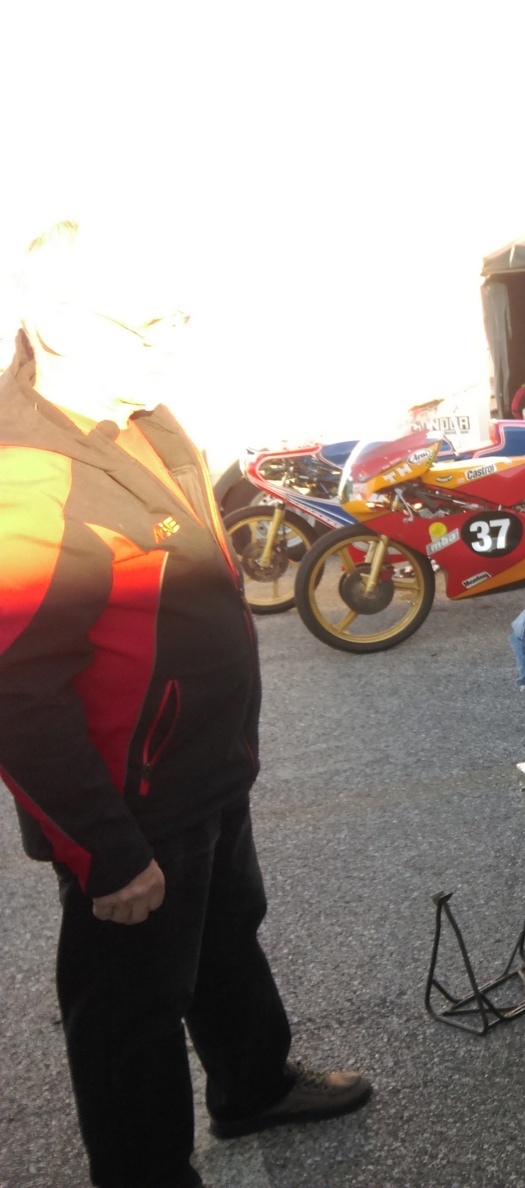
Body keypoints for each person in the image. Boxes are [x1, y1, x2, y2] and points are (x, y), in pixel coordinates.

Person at [0, 222, 371, 1188]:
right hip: (129, 805)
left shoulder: (141, 414)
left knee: (225, 931)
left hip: (204, 768)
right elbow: (15, 695)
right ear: (57, 322)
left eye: (178, 319)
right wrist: (106, 852)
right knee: (128, 1012)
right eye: (147, 325)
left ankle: (252, 1085)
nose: (170, 344)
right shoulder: (25, 474)